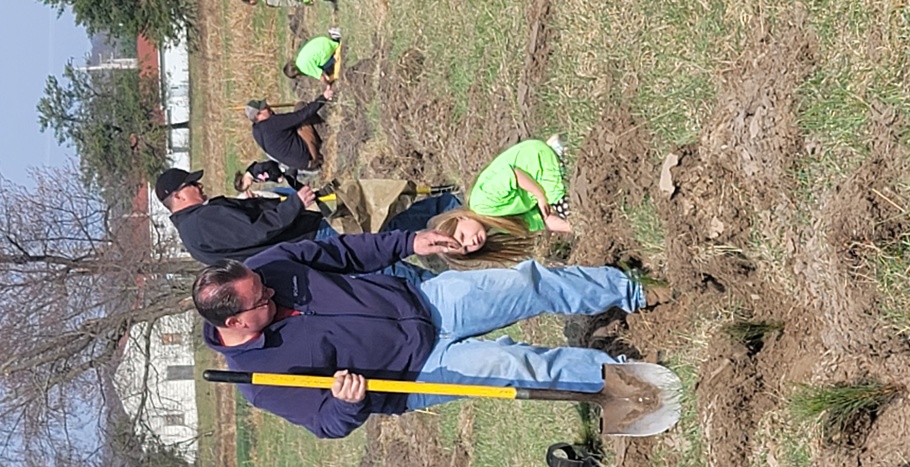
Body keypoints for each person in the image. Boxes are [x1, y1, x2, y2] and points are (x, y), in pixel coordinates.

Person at [192, 231, 670, 439]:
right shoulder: (259, 380)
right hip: (418, 375)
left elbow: (341, 253)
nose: (272, 293)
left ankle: (633, 290)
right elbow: (325, 424)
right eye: (262, 302)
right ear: (233, 323)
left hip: (423, 301)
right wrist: (344, 402)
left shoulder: (265, 269)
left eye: (264, 286)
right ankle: (643, 392)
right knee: (524, 368)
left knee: (526, 282)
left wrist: (407, 243)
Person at [428, 136, 570, 268]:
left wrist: (540, 196)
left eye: (462, 236)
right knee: (570, 215)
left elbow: (513, 175)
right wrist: (573, 226)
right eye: (466, 249)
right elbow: (542, 220)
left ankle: (555, 152)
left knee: (565, 207)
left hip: (535, 162)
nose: (470, 242)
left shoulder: (482, 202)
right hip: (540, 185)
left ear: (461, 218)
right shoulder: (498, 224)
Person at [156, 168, 337, 264]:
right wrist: (294, 204)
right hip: (307, 238)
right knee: (361, 247)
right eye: (192, 184)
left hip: (295, 254)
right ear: (178, 196)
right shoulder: (200, 221)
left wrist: (248, 205)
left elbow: (241, 236)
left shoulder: (191, 235)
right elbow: (255, 231)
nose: (199, 186)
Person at [246, 86, 334, 171]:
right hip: (310, 158)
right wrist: (323, 97)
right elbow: (301, 115)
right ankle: (326, 132)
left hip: (305, 166)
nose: (269, 107)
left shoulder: (256, 131)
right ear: (258, 115)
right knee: (301, 107)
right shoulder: (271, 123)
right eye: (265, 108)